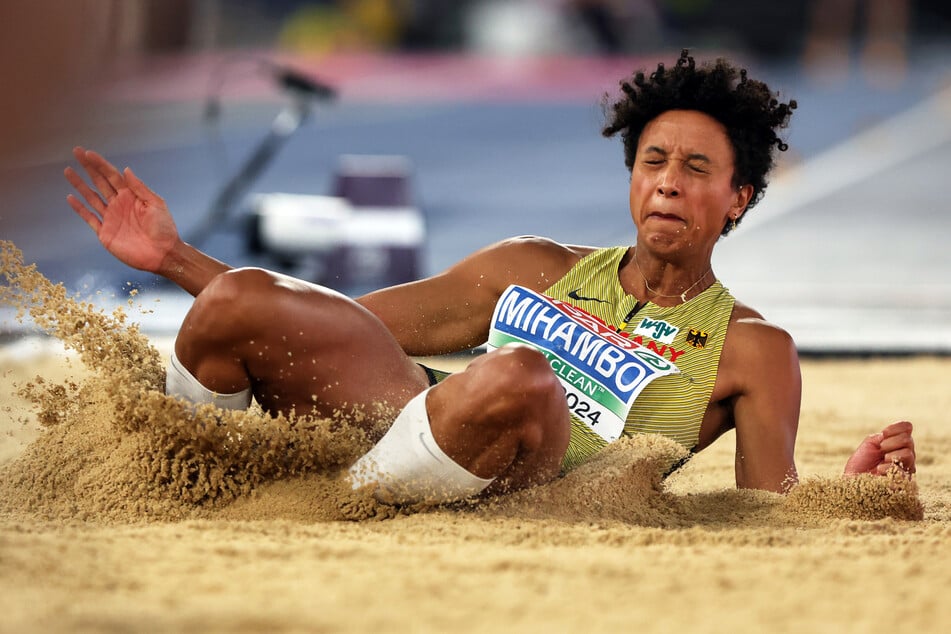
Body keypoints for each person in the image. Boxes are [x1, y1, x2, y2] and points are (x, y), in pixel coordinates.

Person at [64, 49, 915, 505]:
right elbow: (328, 325)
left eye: (696, 168)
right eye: (652, 160)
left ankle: (326, 500)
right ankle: (167, 474)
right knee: (245, 295)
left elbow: (766, 505)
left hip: (532, 472)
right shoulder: (528, 267)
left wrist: (856, 498)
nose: (666, 181)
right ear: (628, 177)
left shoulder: (753, 349)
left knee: (518, 377)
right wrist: (175, 258)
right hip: (416, 420)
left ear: (737, 199)